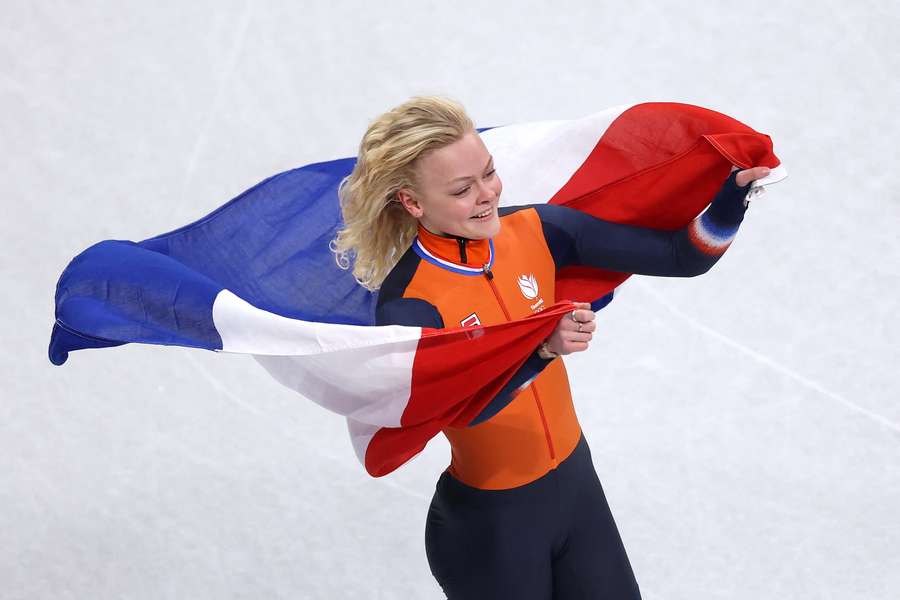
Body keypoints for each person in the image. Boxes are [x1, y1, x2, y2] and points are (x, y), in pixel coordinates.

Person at [331, 96, 770, 600]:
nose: (487, 195)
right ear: (412, 202)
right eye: (461, 189)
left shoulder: (538, 229)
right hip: (492, 529)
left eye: (489, 173)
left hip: (577, 492)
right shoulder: (410, 306)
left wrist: (733, 198)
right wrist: (539, 351)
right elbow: (453, 410)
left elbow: (680, 255)